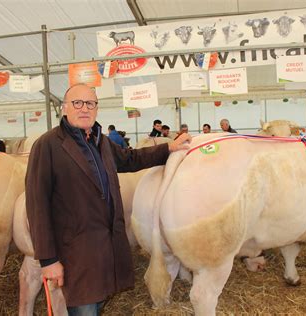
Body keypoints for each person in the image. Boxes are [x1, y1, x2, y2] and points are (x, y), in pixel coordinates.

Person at [25, 83, 191, 315]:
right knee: (84, 309)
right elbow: (37, 205)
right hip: (75, 251)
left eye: (90, 103)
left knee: (99, 303)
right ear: (64, 108)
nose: (84, 108)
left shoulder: (100, 141)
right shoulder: (48, 145)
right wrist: (48, 260)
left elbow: (129, 159)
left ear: (96, 108)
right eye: (77, 103)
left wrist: (168, 149)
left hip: (106, 246)